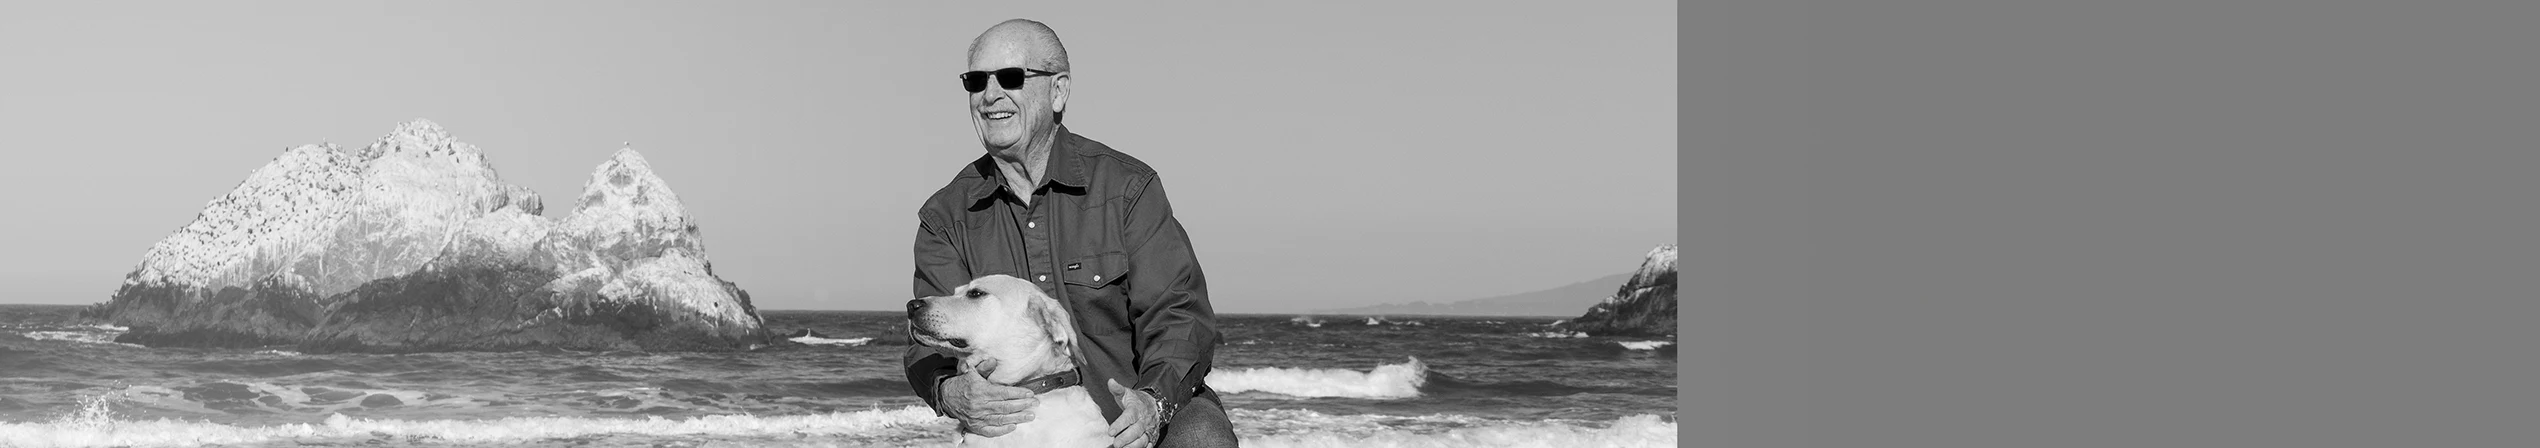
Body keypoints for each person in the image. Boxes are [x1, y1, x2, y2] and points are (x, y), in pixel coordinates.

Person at [904, 19, 1238, 448]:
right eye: (975, 82)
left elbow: (1177, 315)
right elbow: (927, 343)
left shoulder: (1126, 188)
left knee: (1201, 436)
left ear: (1058, 91)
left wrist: (1152, 404)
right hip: (1017, 423)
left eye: (1010, 78)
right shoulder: (946, 216)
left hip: (1137, 414)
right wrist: (951, 391)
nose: (990, 96)